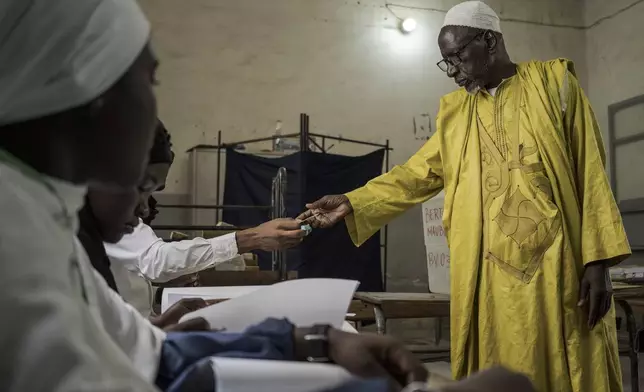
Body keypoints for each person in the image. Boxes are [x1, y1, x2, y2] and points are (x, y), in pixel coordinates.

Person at [298, 2, 630, 391]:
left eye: (457, 55)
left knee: (559, 362)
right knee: (496, 364)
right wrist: (354, 201)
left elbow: (589, 169)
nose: (452, 68)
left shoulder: (553, 86)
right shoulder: (456, 115)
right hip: (485, 273)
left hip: (555, 269)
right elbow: (415, 175)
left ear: (489, 41)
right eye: (446, 61)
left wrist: (599, 263)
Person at [93, 120, 306, 315]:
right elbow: (156, 260)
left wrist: (159, 298)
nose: (145, 209)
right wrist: (253, 238)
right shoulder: (95, 222)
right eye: (142, 188)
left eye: (154, 191)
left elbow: (126, 282)